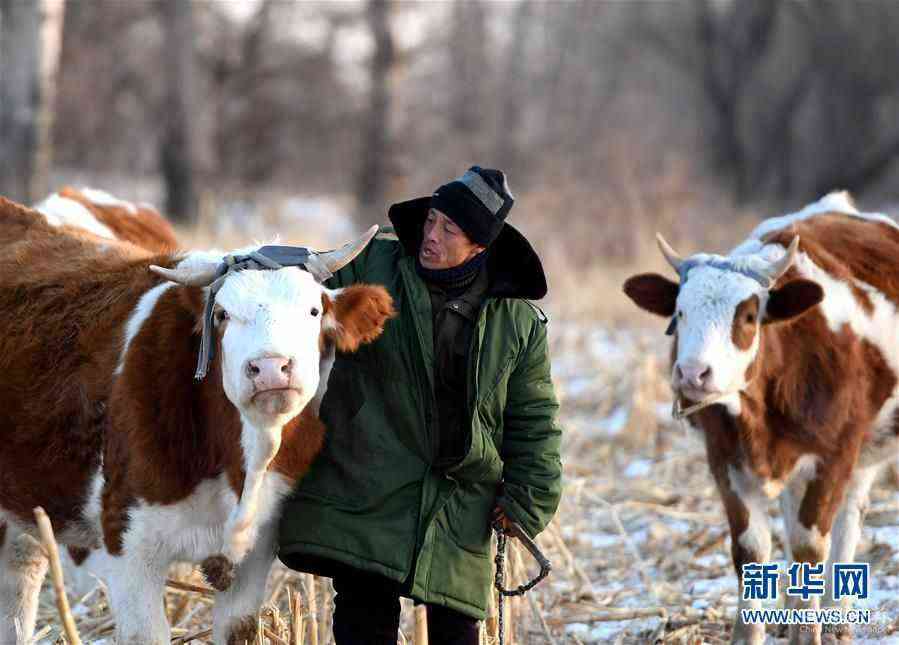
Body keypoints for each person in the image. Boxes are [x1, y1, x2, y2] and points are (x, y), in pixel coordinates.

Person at [278, 166, 563, 644]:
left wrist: (528, 498)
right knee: (363, 619)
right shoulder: (373, 268)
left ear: (479, 245)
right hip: (369, 484)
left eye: (449, 229)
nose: (430, 235)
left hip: (458, 503)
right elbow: (302, 287)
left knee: (456, 633)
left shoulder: (519, 321)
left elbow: (534, 420)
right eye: (430, 220)